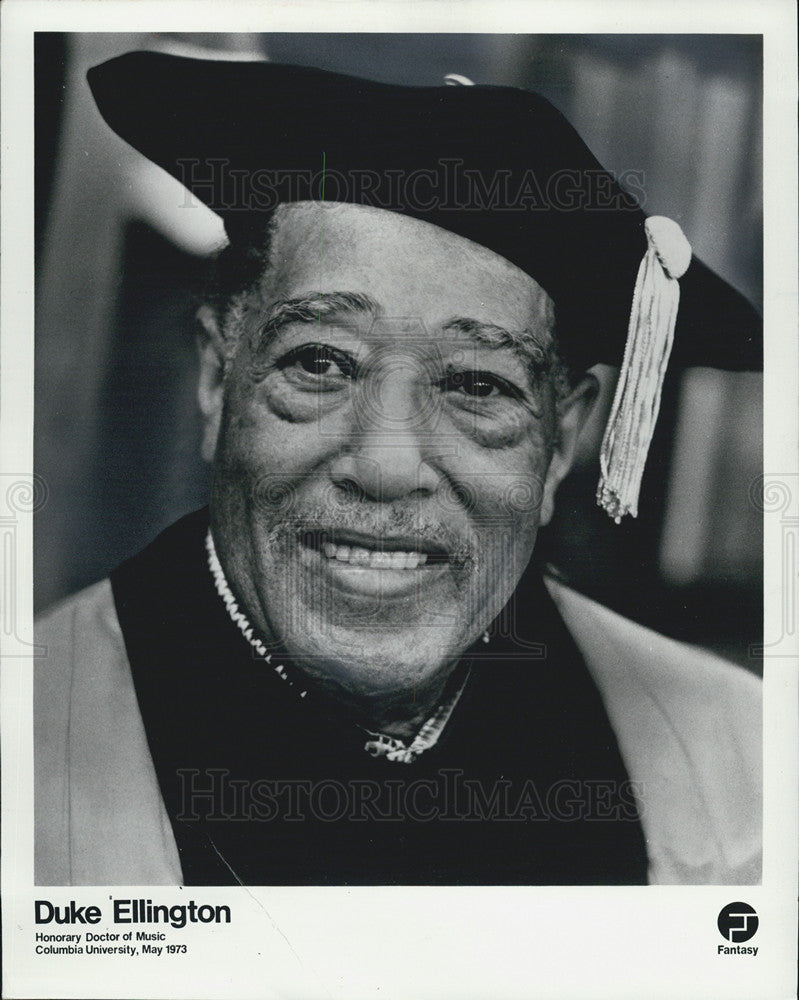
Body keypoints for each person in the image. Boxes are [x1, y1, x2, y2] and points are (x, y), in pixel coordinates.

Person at [35, 51, 762, 887]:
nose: (384, 466)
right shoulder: (34, 741)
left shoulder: (733, 765)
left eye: (477, 384)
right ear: (215, 378)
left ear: (564, 438)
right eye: (320, 364)